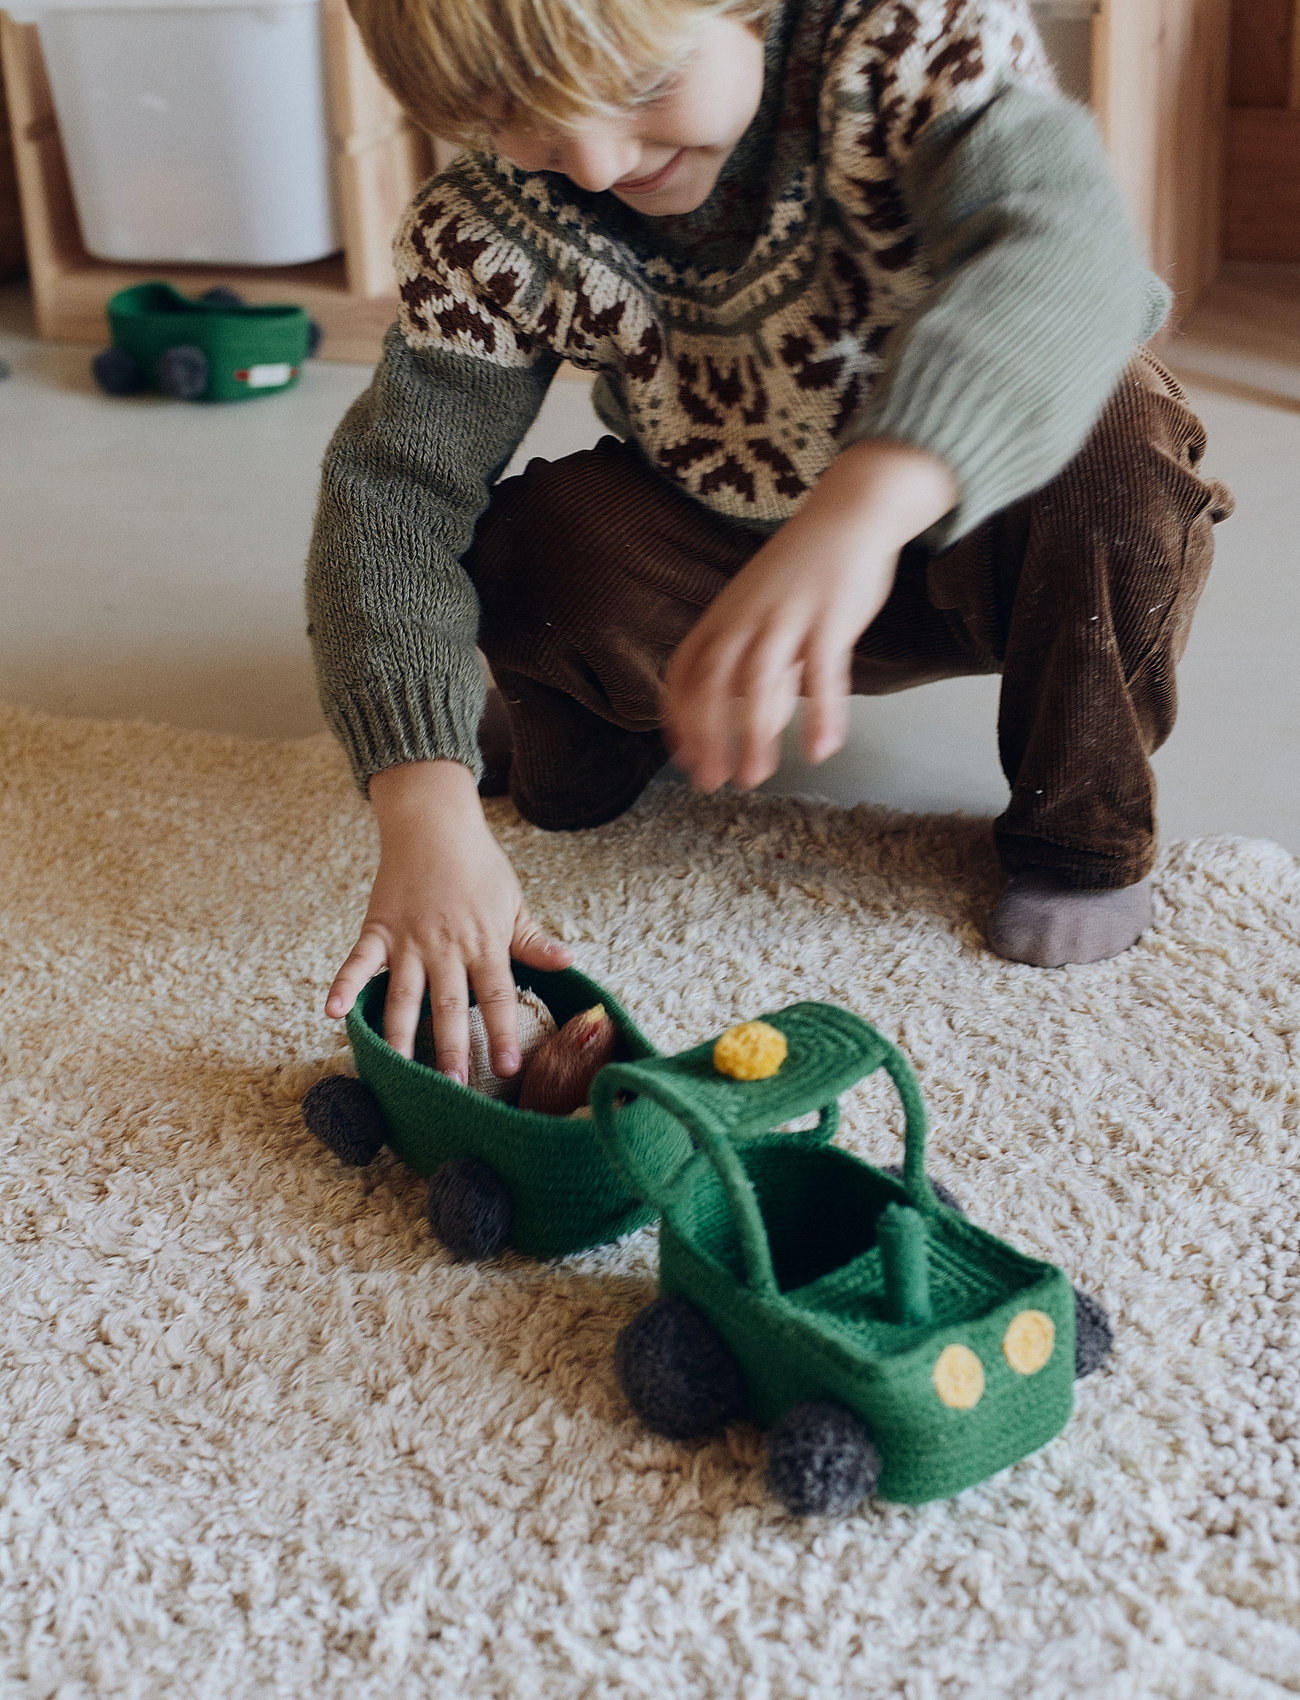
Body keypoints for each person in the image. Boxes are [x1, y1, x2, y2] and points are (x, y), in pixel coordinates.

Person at [306, 0, 1233, 1083]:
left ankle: (1079, 837)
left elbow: (1070, 260)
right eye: (523, 117)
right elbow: (395, 495)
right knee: (532, 550)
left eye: (644, 88)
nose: (598, 162)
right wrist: (421, 799)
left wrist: (862, 504)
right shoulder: (485, 223)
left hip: (984, 540)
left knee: (1120, 442)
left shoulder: (911, 46)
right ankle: (603, 731)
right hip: (726, 549)